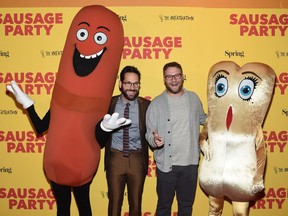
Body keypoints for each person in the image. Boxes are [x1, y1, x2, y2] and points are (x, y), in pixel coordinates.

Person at [145, 61, 207, 216]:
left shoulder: (193, 99)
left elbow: (203, 119)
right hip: (167, 165)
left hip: (190, 164)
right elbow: (149, 133)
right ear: (164, 79)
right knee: (164, 207)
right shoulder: (156, 104)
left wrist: (221, 117)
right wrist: (154, 140)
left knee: (186, 207)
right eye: (169, 76)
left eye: (177, 75)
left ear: (183, 76)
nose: (173, 80)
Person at [96, 65, 151, 216]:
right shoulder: (109, 104)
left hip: (137, 159)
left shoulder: (146, 106)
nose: (132, 87)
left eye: (135, 84)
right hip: (115, 158)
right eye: (128, 83)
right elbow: (96, 131)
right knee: (114, 204)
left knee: (136, 205)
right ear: (120, 84)